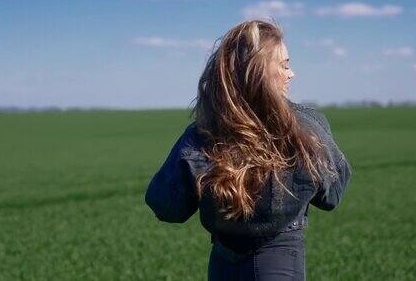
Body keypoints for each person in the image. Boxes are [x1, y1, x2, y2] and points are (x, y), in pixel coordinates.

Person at [144, 19, 352, 281]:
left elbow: (166, 206)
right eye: (285, 65)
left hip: (222, 266)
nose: (292, 73)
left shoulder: (202, 134)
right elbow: (332, 195)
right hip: (280, 265)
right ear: (260, 72)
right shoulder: (306, 127)